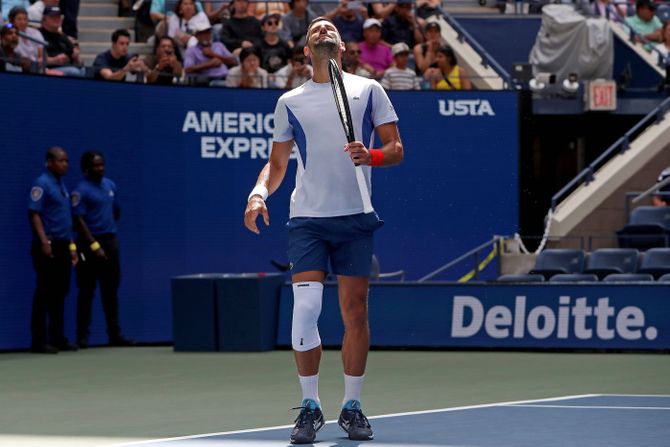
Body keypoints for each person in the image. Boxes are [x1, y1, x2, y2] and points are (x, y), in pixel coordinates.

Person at [243, 17, 403, 444]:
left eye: (329, 27)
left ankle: (352, 406)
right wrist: (258, 193)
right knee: (306, 310)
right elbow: (278, 166)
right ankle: (310, 406)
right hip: (308, 221)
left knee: (355, 314)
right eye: (315, 28)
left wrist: (369, 155)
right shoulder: (289, 101)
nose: (322, 30)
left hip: (355, 217)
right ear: (304, 50)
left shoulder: (369, 90)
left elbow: (395, 149)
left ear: (342, 49)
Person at [72, 151, 135, 348]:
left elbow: (116, 211)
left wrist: (107, 237)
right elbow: (78, 219)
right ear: (86, 168)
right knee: (87, 290)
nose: (100, 168)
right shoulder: (80, 190)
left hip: (110, 241)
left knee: (111, 290)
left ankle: (115, 335)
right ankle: (82, 337)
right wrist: (94, 244)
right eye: (96, 166)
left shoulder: (110, 185)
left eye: (102, 165)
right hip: (88, 243)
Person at [28, 147, 79, 354]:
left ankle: (58, 337)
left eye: (67, 161)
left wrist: (72, 247)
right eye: (60, 161)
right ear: (49, 162)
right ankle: (39, 341)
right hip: (48, 244)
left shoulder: (61, 185)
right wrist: (44, 242)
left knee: (60, 293)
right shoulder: (42, 183)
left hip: (63, 245)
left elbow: (65, 220)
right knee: (44, 293)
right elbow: (34, 214)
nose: (65, 164)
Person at [39, 6, 85, 77]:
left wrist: (77, 56)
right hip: (49, 69)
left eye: (58, 17)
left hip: (68, 66)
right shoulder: (38, 35)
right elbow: (36, 60)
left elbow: (75, 56)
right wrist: (54, 60)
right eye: (52, 17)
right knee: (74, 72)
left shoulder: (63, 36)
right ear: (44, 19)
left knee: (84, 70)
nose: (56, 19)